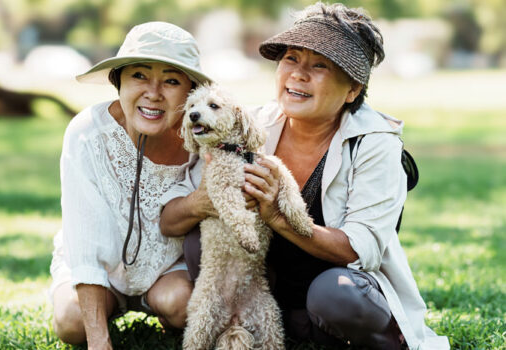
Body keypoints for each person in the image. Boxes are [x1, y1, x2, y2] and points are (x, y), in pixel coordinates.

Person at [159, 3, 449, 349]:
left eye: (319, 65)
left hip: (334, 288)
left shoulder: (375, 144)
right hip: (266, 289)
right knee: (197, 238)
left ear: (352, 89)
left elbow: (360, 249)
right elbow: (169, 219)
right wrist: (201, 202)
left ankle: (382, 337)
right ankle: (251, 325)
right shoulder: (246, 125)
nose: (298, 74)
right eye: (291, 59)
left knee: (336, 296)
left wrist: (277, 217)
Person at [49, 21, 211, 350]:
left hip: (168, 268)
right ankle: (93, 310)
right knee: (71, 322)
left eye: (171, 80)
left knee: (183, 307)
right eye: (139, 75)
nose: (153, 93)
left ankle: (166, 313)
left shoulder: (204, 141)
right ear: (118, 80)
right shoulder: (86, 133)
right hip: (101, 270)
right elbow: (84, 243)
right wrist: (98, 341)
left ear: (190, 92)